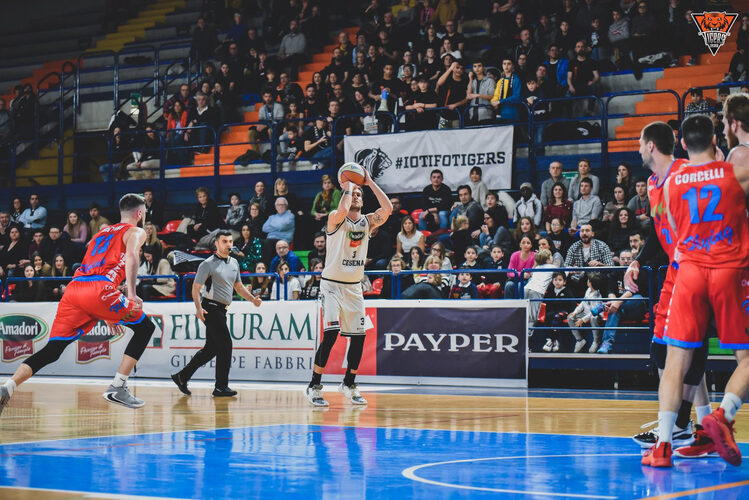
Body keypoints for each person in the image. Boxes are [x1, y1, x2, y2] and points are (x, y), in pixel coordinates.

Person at [641, 110, 749, 468]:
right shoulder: (733, 173)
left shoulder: (672, 182)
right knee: (745, 358)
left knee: (676, 361)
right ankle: (722, 414)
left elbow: (672, 227)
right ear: (715, 141)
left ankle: (663, 446)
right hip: (728, 269)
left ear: (684, 145)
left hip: (688, 271)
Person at [0, 194, 159, 414]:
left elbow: (92, 267)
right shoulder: (136, 231)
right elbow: (131, 256)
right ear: (139, 213)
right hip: (100, 289)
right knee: (145, 328)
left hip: (75, 290)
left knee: (53, 349)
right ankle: (118, 386)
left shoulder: (101, 233)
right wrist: (131, 293)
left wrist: (107, 312)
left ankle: (8, 386)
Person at [625, 121, 712, 457]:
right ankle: (696, 427)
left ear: (651, 146)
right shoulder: (652, 183)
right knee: (672, 349)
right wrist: (637, 261)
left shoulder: (686, 174)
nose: (637, 148)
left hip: (697, 267)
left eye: (639, 142)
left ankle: (677, 424)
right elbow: (658, 233)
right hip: (675, 271)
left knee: (679, 350)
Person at [305, 168, 393, 407]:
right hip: (332, 285)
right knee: (331, 333)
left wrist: (369, 182)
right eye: (353, 193)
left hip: (354, 287)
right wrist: (349, 185)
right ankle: (314, 385)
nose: (356, 196)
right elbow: (343, 210)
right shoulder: (336, 217)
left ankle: (349, 383)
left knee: (359, 337)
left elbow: (387, 209)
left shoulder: (367, 222)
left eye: (359, 195)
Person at [170, 230, 262, 398]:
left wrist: (252, 300)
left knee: (211, 349)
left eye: (230, 241)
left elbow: (238, 287)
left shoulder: (234, 262)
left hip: (222, 310)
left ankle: (182, 376)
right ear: (217, 244)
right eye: (224, 241)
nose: (228, 244)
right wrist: (198, 308)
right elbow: (195, 288)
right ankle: (221, 386)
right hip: (210, 308)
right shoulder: (207, 264)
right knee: (226, 345)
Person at [567, 272, 605, 353]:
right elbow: (583, 303)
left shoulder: (597, 295)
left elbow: (593, 312)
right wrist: (575, 312)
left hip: (595, 315)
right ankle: (580, 340)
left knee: (594, 318)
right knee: (570, 318)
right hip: (585, 313)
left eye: (588, 280)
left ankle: (596, 341)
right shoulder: (588, 290)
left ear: (590, 283)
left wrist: (583, 320)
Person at [541, 271, 575, 352]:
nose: (557, 282)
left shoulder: (567, 291)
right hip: (553, 312)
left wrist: (570, 313)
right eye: (555, 280)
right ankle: (554, 341)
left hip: (565, 312)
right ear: (552, 281)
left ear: (564, 282)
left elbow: (572, 304)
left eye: (560, 280)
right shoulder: (550, 291)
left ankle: (551, 340)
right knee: (548, 316)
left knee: (557, 317)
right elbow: (547, 304)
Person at [523, 249, 555, 324]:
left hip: (526, 289)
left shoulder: (537, 267)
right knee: (532, 316)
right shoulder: (552, 267)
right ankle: (529, 331)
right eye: (550, 256)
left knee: (524, 312)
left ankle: (522, 329)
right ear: (547, 259)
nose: (552, 257)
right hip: (537, 291)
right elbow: (563, 273)